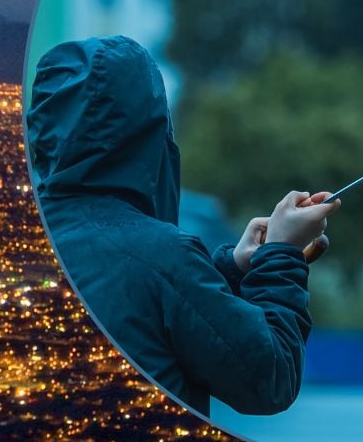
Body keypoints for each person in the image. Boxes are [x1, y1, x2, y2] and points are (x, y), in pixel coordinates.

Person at [26, 36, 338, 415]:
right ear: (150, 132)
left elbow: (141, 301)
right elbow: (270, 377)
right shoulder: (162, 257)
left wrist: (231, 268)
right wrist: (282, 255)